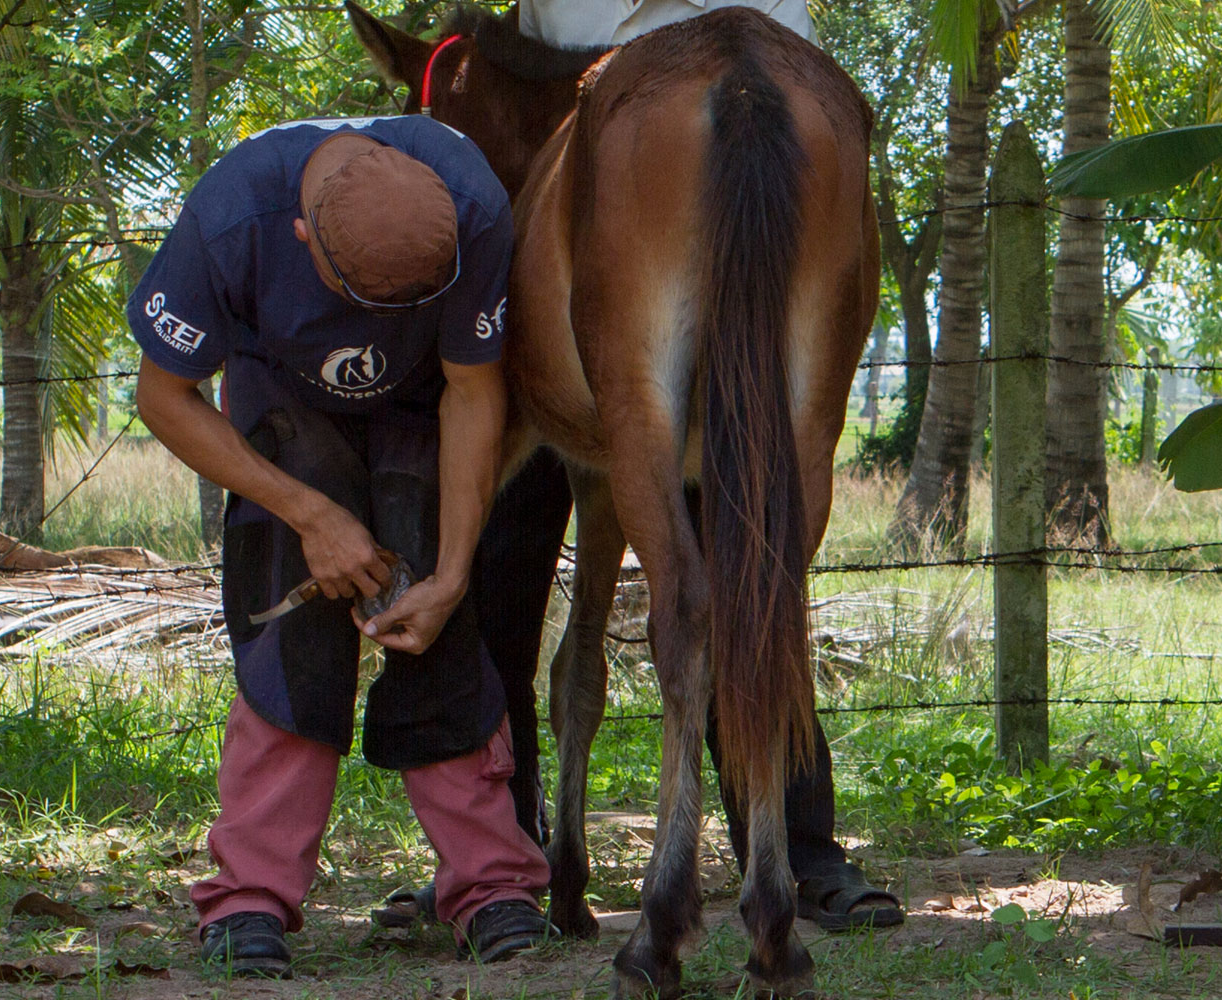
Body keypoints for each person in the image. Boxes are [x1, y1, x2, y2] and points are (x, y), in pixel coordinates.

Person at [374, 0, 905, 936]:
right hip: (617, 85)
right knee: (740, 550)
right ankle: (516, 854)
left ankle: (505, 853)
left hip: (635, 104)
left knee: (564, 558)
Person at [128, 115, 554, 978]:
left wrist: (454, 570)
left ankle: (491, 884)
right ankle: (249, 898)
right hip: (281, 405)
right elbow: (164, 396)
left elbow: (473, 392)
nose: (379, 324)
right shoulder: (231, 219)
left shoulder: (471, 207)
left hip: (423, 413)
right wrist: (309, 515)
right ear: (300, 236)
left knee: (434, 616)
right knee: (294, 628)